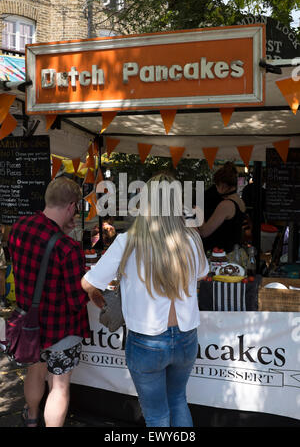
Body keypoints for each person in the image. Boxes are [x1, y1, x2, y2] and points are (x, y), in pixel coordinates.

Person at [81, 173, 209, 427]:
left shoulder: (128, 241)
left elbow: (88, 283)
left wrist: (102, 296)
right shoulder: (192, 239)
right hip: (185, 336)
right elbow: (202, 274)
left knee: (157, 415)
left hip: (147, 341)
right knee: (178, 401)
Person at [8, 176, 90, 427]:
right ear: (71, 206)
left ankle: (31, 417)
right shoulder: (68, 248)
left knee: (34, 371)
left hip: (29, 325)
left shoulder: (19, 228)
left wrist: (61, 230)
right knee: (60, 386)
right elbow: (77, 300)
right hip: (60, 328)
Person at [199, 162, 246, 253]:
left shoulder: (226, 205)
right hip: (235, 251)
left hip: (222, 255)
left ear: (222, 185)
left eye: (217, 185)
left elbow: (204, 232)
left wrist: (198, 212)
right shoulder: (240, 201)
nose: (216, 188)